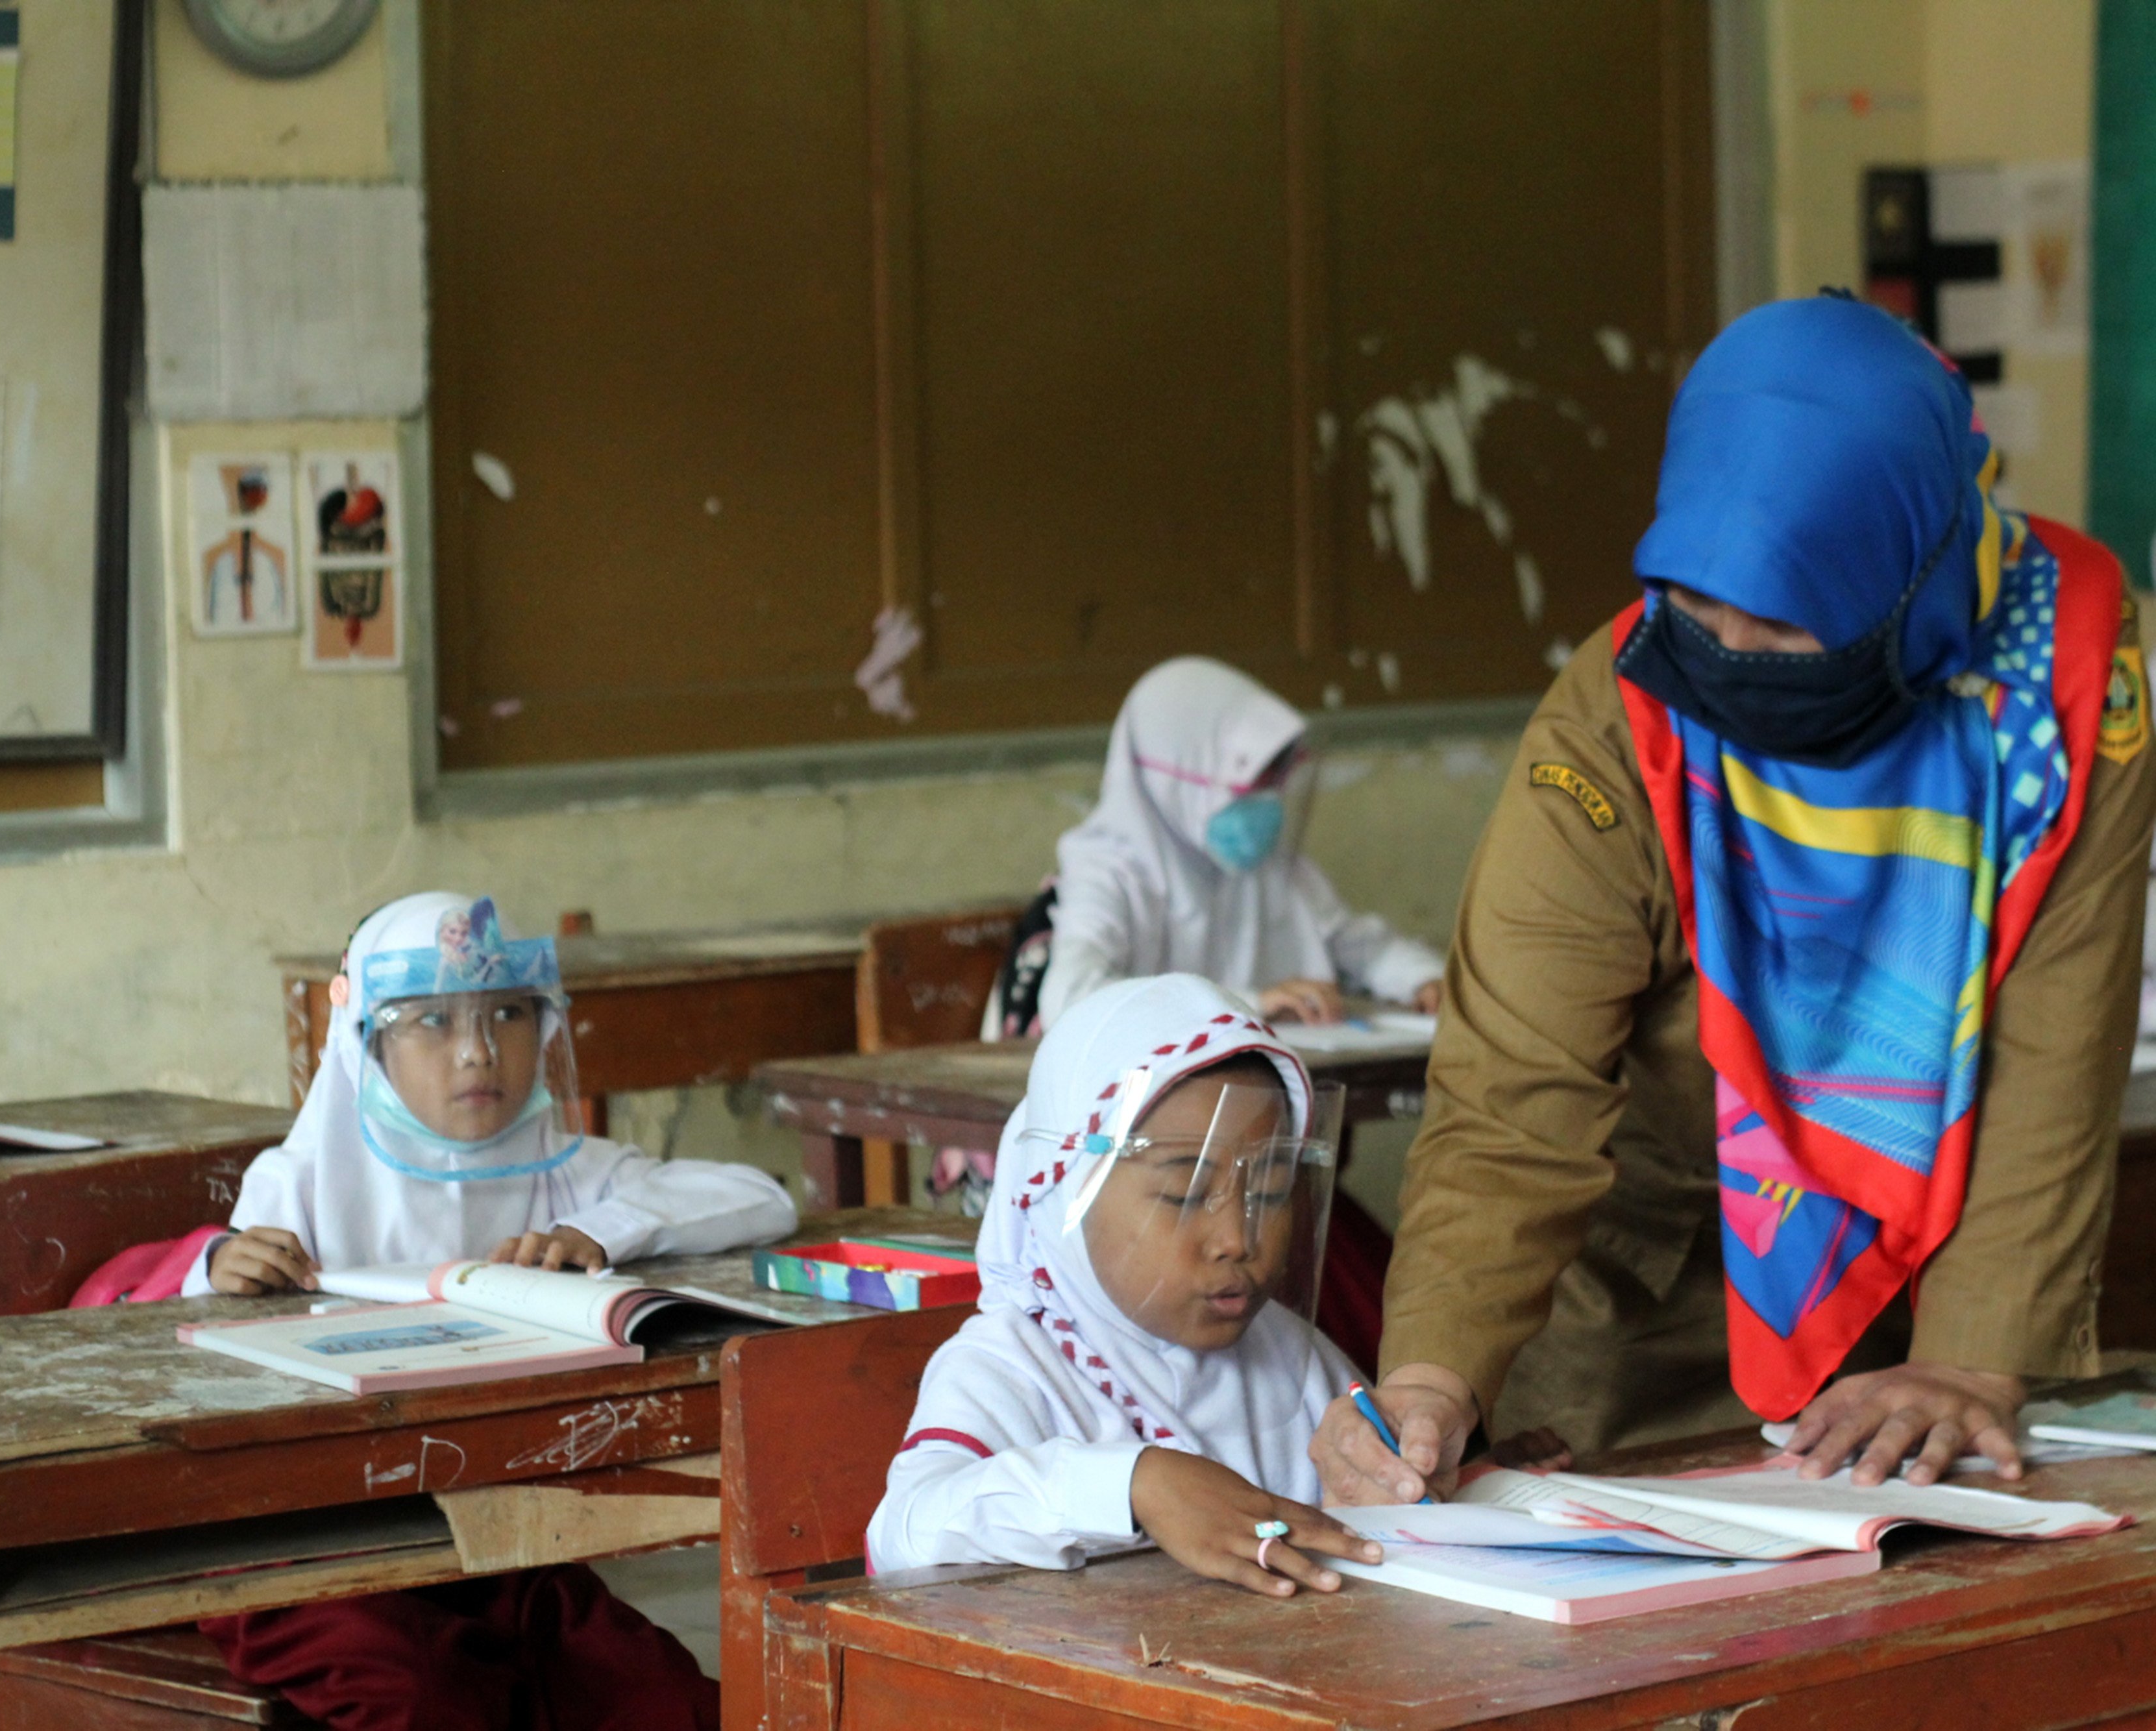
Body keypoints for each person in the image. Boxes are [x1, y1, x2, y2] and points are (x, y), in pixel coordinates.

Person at [1310, 295, 2156, 1508]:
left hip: (1924, 1270)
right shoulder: (1616, 722)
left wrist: (1973, 1357)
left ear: (1907, 591)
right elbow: (1512, 1093)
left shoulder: (2058, 688)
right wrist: (1434, 1380)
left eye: (1780, 624)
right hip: (1636, 1272)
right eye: (1697, 606)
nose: (1722, 656)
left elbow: (2054, 1046)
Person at [182, 891, 796, 1731]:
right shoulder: (298, 1182)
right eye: (431, 1021)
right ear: (366, 1035)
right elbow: (189, 1357)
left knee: (662, 1698)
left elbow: (759, 1194)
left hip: (496, 1541)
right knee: (431, 1698)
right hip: (302, 1551)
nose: (476, 1051)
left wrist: (599, 1229)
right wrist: (215, 1262)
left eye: (507, 1012)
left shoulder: (562, 1171)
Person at [869, 973, 1382, 1597]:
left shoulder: (1291, 1358)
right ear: (1066, 1187)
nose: (1238, 1237)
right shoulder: (1012, 1365)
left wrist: (1407, 1485)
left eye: (1271, 1189)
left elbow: (1366, 1514)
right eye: (1184, 1193)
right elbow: (903, 1532)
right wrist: (1133, 1485)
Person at [1032, 656, 1444, 1036]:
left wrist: (1423, 978)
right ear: (1177, 781)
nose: (1266, 801)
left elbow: (1358, 944)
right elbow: (1070, 1000)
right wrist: (1249, 1005)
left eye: (1272, 780)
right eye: (1246, 783)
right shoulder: (1107, 869)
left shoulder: (1269, 866)